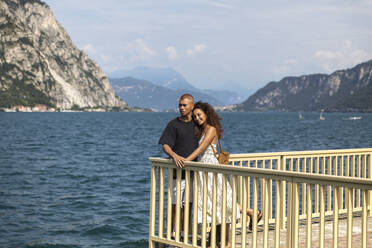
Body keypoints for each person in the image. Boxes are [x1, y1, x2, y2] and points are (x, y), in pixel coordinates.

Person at [185, 101, 262, 248]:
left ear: (206, 114)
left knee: (221, 203)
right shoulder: (201, 130)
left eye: (199, 115)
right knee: (215, 203)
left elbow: (202, 148)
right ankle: (249, 213)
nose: (197, 118)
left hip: (211, 169)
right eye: (194, 116)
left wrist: (186, 161)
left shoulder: (211, 129)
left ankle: (223, 242)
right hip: (203, 169)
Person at [158, 93, 199, 240]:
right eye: (180, 105)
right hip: (178, 173)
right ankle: (170, 237)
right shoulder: (173, 124)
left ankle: (184, 235)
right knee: (175, 207)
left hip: (195, 173)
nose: (181, 108)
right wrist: (174, 156)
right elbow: (165, 145)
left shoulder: (197, 123)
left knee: (188, 207)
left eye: (184, 105)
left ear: (192, 106)